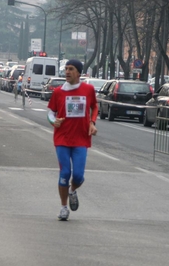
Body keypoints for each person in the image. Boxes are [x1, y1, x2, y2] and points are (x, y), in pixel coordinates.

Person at [47, 59, 98, 221]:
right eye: (66, 69)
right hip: (62, 138)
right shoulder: (58, 92)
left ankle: (72, 190)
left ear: (79, 72)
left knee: (77, 176)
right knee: (64, 173)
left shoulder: (88, 89)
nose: (67, 72)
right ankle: (63, 207)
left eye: (71, 69)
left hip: (81, 138)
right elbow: (50, 112)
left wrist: (92, 122)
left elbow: (94, 106)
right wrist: (53, 121)